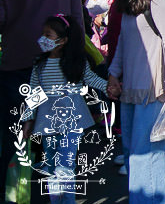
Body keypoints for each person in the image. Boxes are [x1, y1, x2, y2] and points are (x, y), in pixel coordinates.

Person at [0, 0, 86, 195]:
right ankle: (56, 195)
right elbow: (78, 25)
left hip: (18, 69)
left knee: (18, 135)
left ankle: (19, 193)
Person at [106, 0, 165, 203]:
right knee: (134, 152)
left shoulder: (159, 1)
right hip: (131, 90)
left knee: (148, 152)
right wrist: (113, 74)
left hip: (154, 90)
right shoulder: (129, 2)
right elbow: (124, 44)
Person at [23, 14, 108, 203]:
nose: (43, 39)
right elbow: (34, 93)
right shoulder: (40, 64)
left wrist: (109, 88)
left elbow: (92, 80)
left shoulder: (77, 63)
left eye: (48, 35)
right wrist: (28, 119)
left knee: (66, 163)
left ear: (63, 40)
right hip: (47, 121)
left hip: (72, 120)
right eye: (43, 34)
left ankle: (67, 201)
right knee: (51, 163)